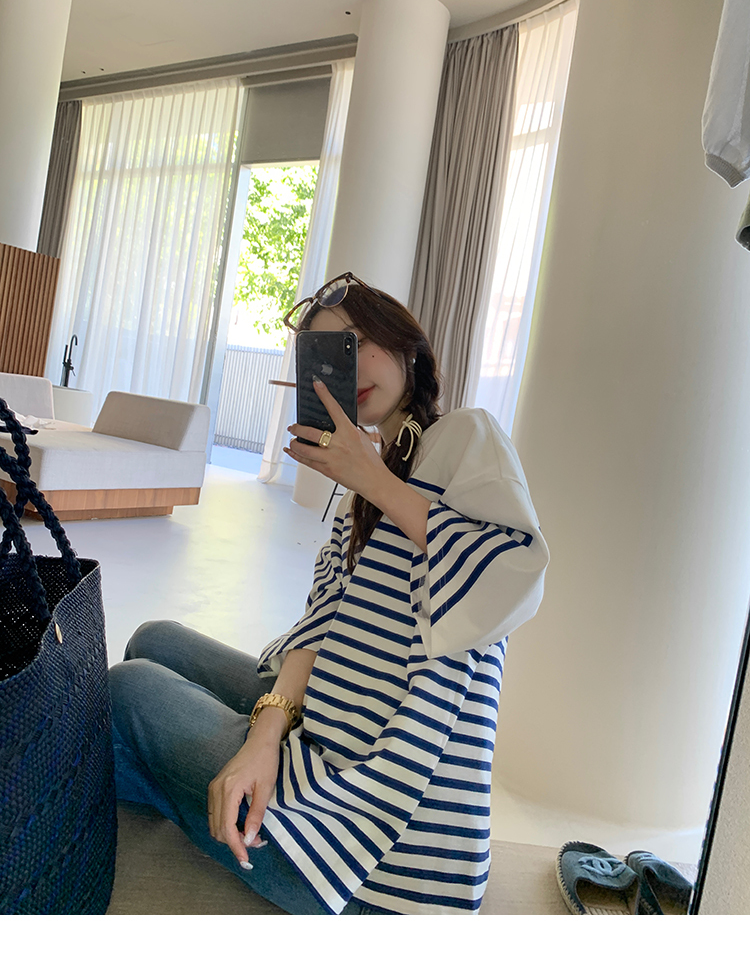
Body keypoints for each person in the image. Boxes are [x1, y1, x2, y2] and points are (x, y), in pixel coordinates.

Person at [109, 272, 550, 915]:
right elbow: (322, 625)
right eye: (330, 356)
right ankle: (200, 784)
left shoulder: (464, 438)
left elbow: (515, 576)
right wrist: (264, 738)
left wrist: (375, 480)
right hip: (333, 722)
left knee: (129, 689)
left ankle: (178, 799)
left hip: (380, 839)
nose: (352, 368)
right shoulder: (358, 497)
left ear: (406, 344)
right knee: (156, 640)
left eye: (360, 342)